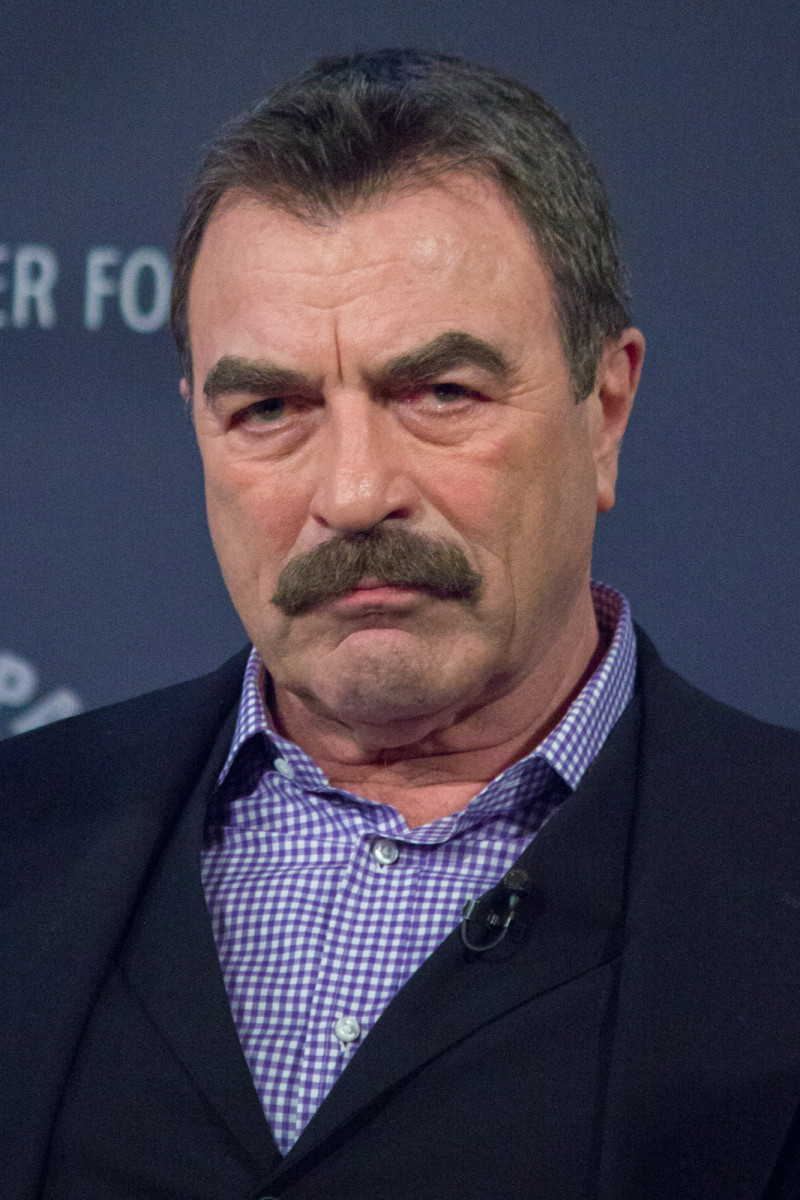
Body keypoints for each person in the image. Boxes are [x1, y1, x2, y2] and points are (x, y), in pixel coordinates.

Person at [2, 49, 799, 1200]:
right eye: (269, 408)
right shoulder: (23, 836)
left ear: (605, 409)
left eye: (439, 394)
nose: (354, 491)